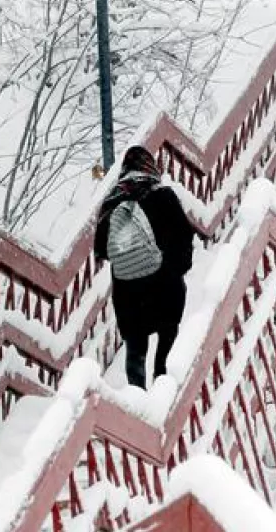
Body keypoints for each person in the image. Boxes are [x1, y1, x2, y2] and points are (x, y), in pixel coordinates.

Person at [94, 145, 196, 389]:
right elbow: (184, 234)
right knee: (168, 333)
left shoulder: (112, 201)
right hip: (164, 283)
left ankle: (137, 400)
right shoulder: (163, 195)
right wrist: (178, 267)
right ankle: (163, 383)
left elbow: (101, 249)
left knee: (135, 348)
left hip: (128, 293)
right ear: (149, 166)